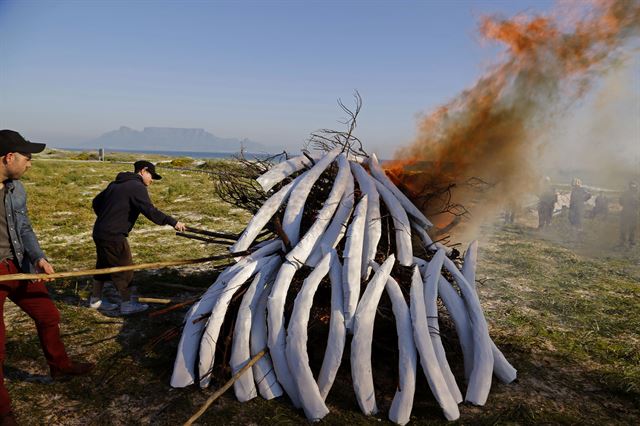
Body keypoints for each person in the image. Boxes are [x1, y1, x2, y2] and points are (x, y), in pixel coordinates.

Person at [0, 130, 93, 425]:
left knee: (49, 315)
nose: (30, 164)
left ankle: (60, 366)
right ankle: (2, 410)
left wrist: (38, 257)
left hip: (19, 265)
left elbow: (24, 228)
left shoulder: (17, 190)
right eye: (27, 158)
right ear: (9, 157)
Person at [91, 160, 186, 315]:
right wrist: (172, 222)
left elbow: (96, 202)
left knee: (102, 265)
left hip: (100, 231)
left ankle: (95, 300)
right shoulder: (136, 186)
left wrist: (106, 217)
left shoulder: (115, 184)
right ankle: (127, 304)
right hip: (113, 235)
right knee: (124, 268)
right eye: (151, 176)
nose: (152, 180)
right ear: (143, 171)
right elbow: (149, 210)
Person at [619, 181, 639, 247]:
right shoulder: (636, 194)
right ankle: (627, 241)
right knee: (628, 227)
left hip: (628, 212)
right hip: (631, 212)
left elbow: (620, 202)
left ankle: (626, 241)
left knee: (630, 227)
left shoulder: (625, 193)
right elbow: (621, 201)